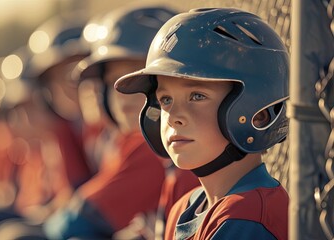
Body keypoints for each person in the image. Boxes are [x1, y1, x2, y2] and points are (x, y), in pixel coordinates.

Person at [115, 8, 289, 240]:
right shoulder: (185, 207)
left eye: (197, 96)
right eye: (166, 99)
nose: (173, 116)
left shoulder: (246, 217)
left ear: (258, 115)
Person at [43, 5, 191, 239]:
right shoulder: (133, 140)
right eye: (113, 80)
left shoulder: (155, 149)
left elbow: (76, 221)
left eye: (138, 76)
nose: (123, 92)